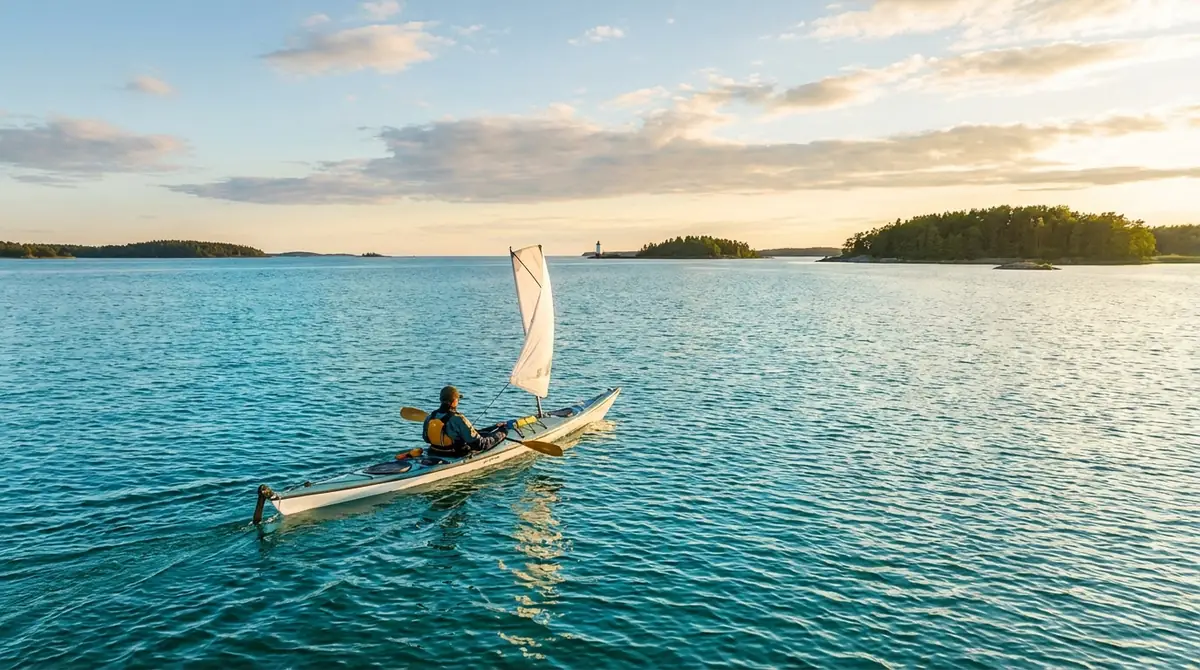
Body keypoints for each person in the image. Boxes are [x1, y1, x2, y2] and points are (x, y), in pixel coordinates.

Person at [422, 385, 509, 457]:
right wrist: (501, 433)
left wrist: (494, 427)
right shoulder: (458, 419)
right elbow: (479, 445)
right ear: (454, 401)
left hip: (434, 452)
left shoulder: (430, 418)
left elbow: (427, 439)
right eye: (458, 399)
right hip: (454, 454)